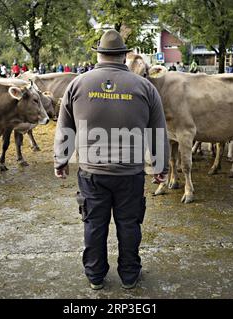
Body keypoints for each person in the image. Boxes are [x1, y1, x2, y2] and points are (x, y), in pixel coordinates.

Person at [54, 29, 169, 291]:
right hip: (130, 173)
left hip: (92, 173)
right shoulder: (145, 88)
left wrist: (60, 160)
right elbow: (158, 131)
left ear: (99, 53)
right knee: (129, 224)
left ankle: (95, 276)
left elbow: (65, 128)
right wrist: (160, 167)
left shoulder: (77, 85)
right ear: (123, 55)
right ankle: (129, 276)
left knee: (94, 224)